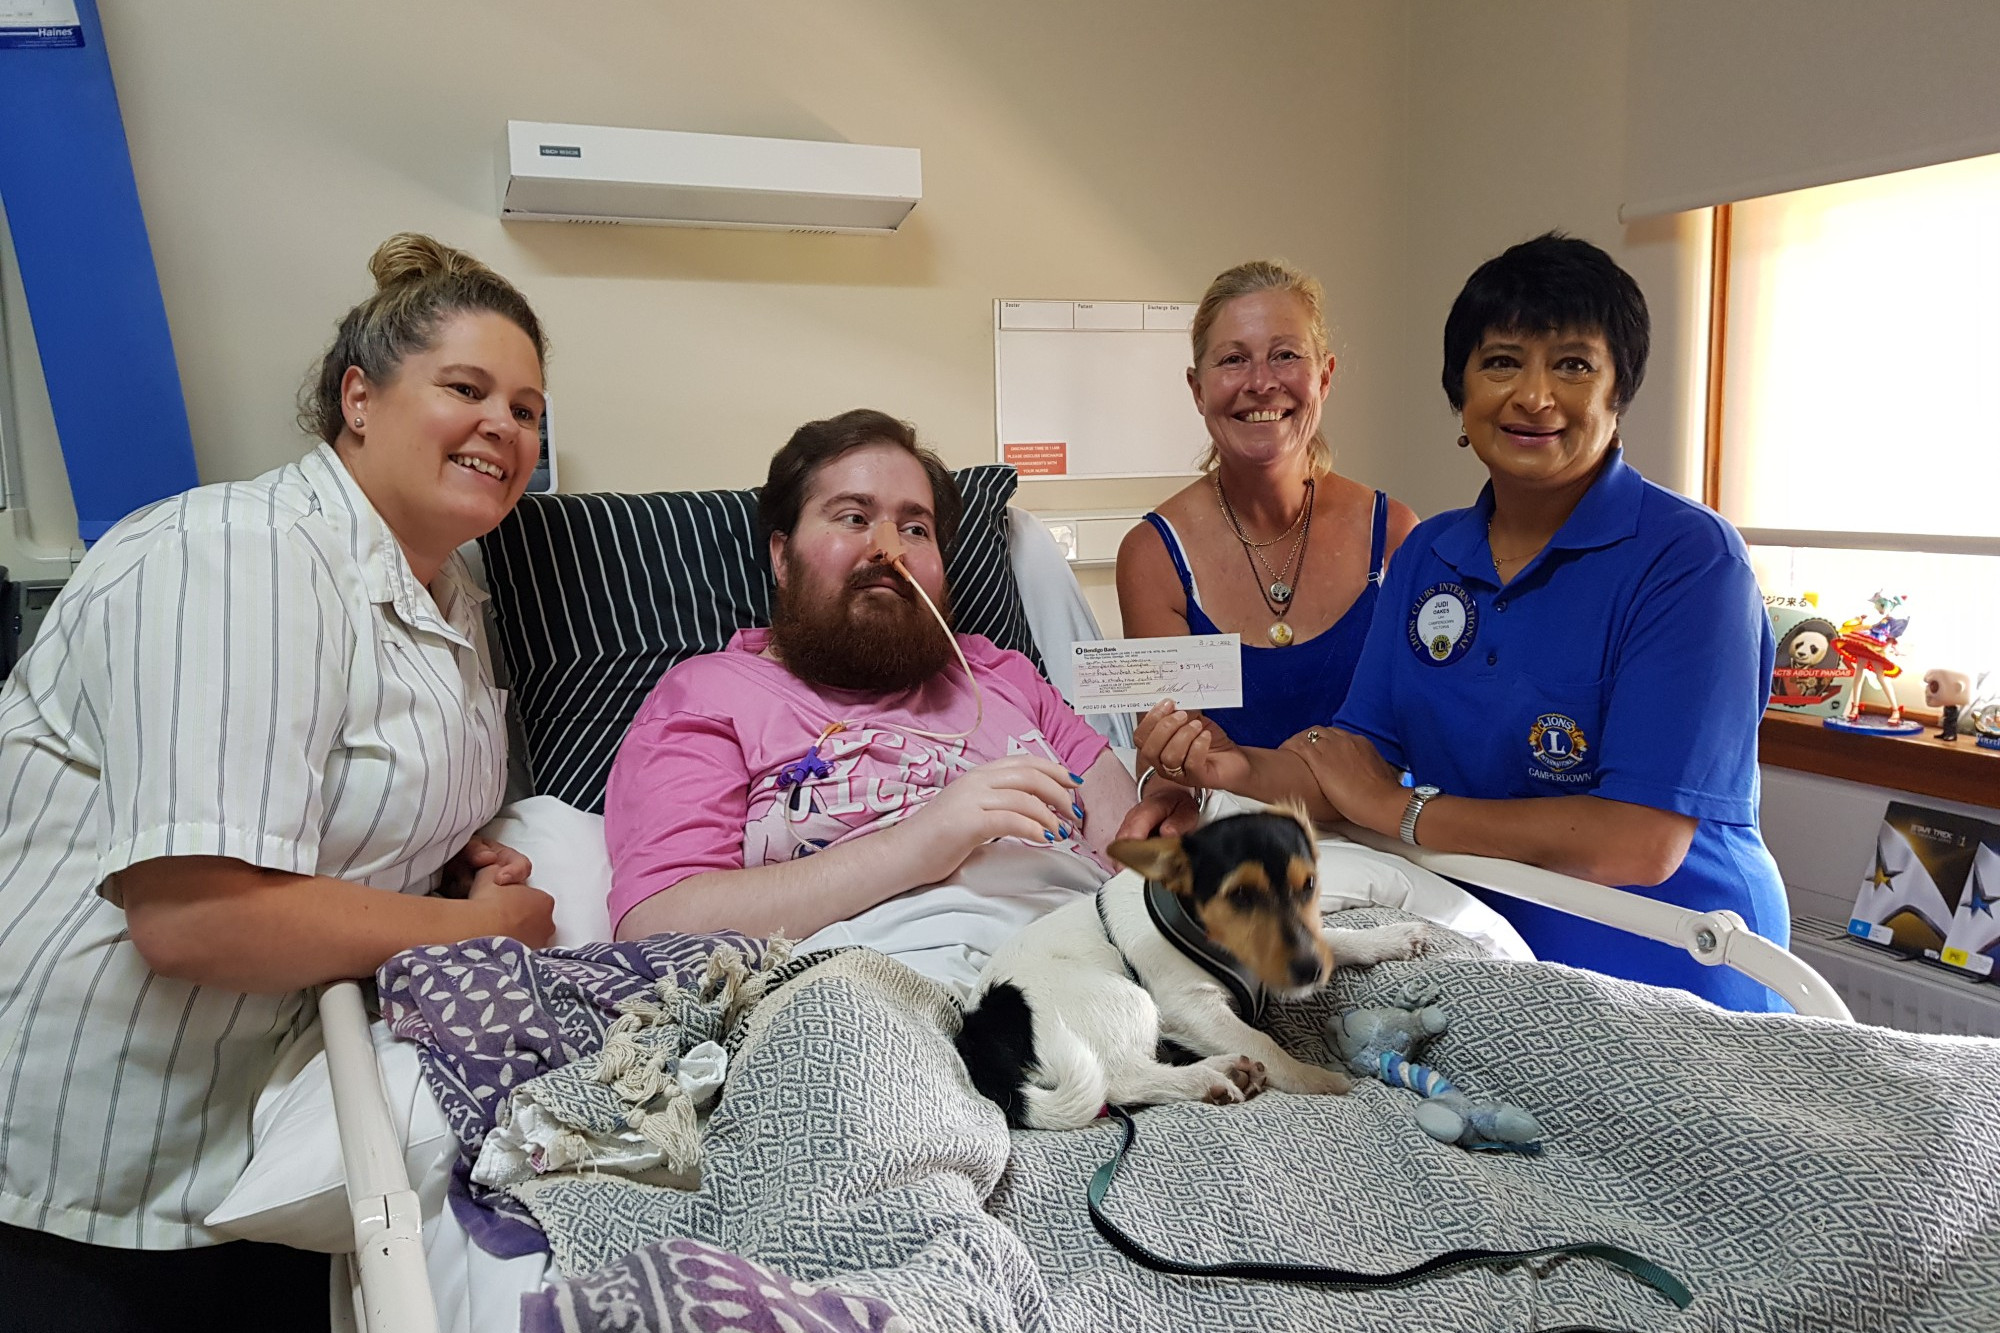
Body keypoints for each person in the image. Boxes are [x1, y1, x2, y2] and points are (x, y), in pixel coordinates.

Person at [0, 234, 558, 1330]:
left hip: (260, 1139)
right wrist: (485, 930)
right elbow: (197, 919)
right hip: (77, 1157)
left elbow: (341, 776)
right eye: (467, 388)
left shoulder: (456, 594)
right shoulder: (236, 556)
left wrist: (446, 851)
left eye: (530, 408)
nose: (506, 425)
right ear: (360, 397)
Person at [1138, 233, 1790, 1013]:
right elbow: (1348, 763)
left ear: (1619, 391)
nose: (1534, 396)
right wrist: (1231, 771)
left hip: (1672, 962)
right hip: (1484, 950)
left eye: (1574, 365)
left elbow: (1640, 843)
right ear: (1461, 394)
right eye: (1503, 362)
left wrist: (1407, 813)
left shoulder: (1687, 560)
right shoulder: (1430, 558)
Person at [605, 409, 1195, 985]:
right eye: (854, 517)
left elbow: (1135, 859)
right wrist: (921, 842)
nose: (889, 549)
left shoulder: (1001, 675)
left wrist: (1179, 808)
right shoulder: (711, 691)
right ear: (782, 558)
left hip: (1093, 975)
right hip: (871, 994)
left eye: (916, 528)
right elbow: (658, 927)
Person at [1116, 260, 1418, 752]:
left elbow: (1421, 736)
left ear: (1324, 377)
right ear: (1197, 389)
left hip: (1376, 827)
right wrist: (1163, 781)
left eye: (1285, 355)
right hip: (1234, 826)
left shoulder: (1394, 535)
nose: (1260, 382)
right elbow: (1174, 765)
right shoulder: (1153, 556)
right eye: (1233, 360)